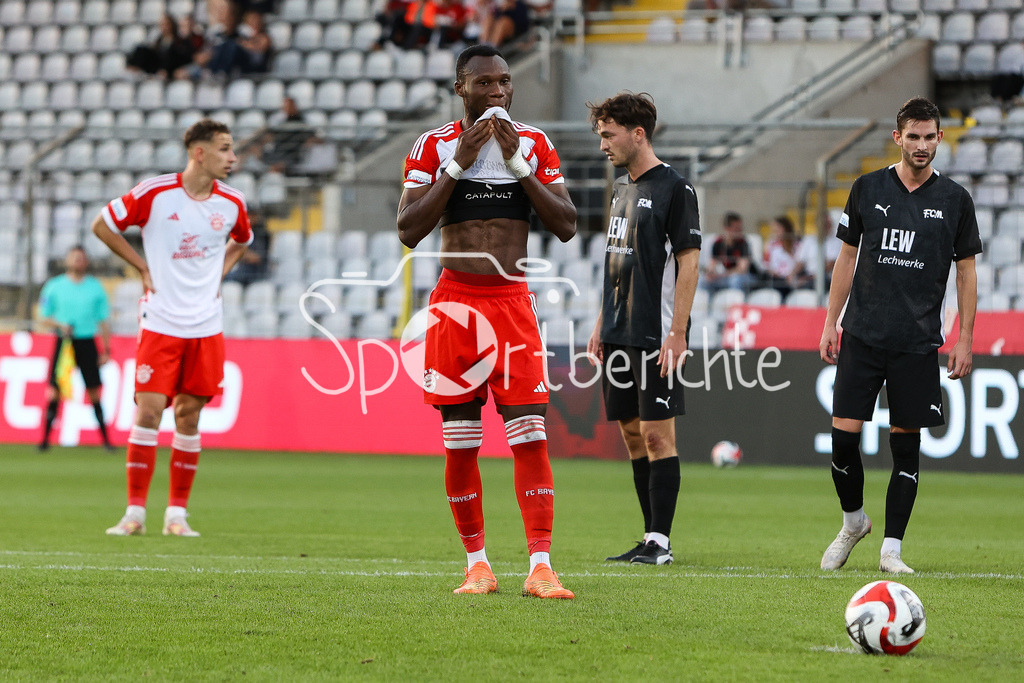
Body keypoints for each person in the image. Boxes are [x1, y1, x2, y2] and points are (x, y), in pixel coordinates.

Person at [397, 45, 577, 598]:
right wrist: (459, 164)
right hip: (456, 305)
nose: (497, 92)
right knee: (461, 441)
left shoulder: (535, 143)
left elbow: (566, 223)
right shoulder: (433, 146)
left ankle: (541, 567)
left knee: (530, 435)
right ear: (461, 88)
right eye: (485, 84)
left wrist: (518, 163)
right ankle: (477, 564)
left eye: (504, 83)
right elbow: (409, 228)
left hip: (512, 304)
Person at [819, 97, 981, 574]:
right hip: (864, 335)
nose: (922, 146)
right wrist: (831, 320)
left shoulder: (955, 200)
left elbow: (967, 272)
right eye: (913, 136)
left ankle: (892, 549)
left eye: (930, 137)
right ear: (898, 138)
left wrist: (964, 336)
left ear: (939, 138)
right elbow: (846, 258)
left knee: (904, 445)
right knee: (843, 441)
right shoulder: (867, 188)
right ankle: (853, 522)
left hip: (916, 342)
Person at [92, 119, 252, 537]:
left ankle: (176, 516)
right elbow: (102, 224)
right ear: (199, 153)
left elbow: (243, 240)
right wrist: (141, 265)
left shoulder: (232, 203)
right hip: (161, 320)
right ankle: (134, 514)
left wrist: (220, 272)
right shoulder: (155, 193)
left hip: (206, 325)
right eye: (224, 149)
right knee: (148, 410)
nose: (233, 157)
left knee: (188, 414)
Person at [585, 92, 701, 566]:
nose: (602, 146)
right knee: (632, 435)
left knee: (658, 436)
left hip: (655, 335)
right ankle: (648, 537)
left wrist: (679, 332)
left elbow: (690, 264)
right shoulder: (618, 188)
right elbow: (616, 261)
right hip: (617, 331)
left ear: (638, 133)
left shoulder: (677, 189)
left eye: (608, 135)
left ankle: (661, 541)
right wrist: (600, 322)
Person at [37, 246, 115, 452]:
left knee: (94, 391)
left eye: (81, 258)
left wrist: (106, 349)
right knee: (54, 390)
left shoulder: (95, 287)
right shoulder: (54, 286)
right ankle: (44, 441)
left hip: (88, 342)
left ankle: (106, 441)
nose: (78, 261)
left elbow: (103, 320)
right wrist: (60, 325)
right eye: (74, 258)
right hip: (64, 342)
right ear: (67, 260)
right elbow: (43, 317)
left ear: (86, 262)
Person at [700, 211, 755, 293]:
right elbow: (712, 264)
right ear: (727, 228)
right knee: (703, 280)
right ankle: (707, 304)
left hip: (745, 277)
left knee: (734, 280)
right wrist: (710, 273)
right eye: (736, 229)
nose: (740, 231)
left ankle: (735, 303)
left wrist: (722, 275)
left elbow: (742, 269)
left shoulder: (743, 243)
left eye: (740, 228)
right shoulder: (718, 243)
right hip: (726, 276)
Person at [762, 215, 811, 296]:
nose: (775, 232)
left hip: (793, 276)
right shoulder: (771, 245)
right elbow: (766, 264)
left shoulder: (797, 244)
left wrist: (791, 274)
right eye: (774, 230)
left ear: (786, 228)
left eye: (778, 229)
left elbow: (800, 262)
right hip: (777, 277)